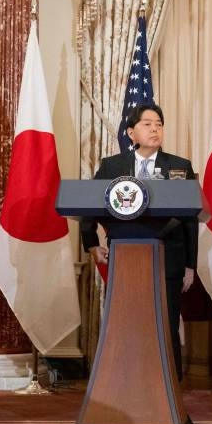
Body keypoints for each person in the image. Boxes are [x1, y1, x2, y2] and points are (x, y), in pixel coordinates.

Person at [80, 103, 197, 380]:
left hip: (168, 260)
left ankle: (169, 386)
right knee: (126, 323)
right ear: (131, 132)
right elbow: (88, 206)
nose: (155, 129)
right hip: (125, 259)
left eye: (159, 124)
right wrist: (91, 244)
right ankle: (124, 382)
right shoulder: (112, 166)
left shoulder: (180, 167)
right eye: (147, 124)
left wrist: (190, 265)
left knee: (166, 324)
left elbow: (191, 219)